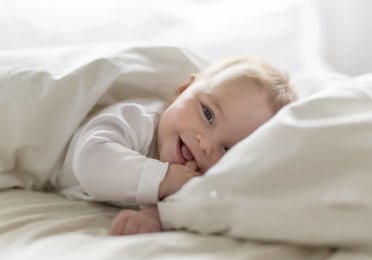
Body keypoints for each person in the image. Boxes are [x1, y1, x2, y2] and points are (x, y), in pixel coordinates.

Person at [54, 57, 297, 234]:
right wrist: (165, 179)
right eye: (208, 114)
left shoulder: (198, 177)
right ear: (182, 91)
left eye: (228, 149)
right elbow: (91, 163)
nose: (205, 143)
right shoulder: (137, 119)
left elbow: (184, 204)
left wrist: (153, 218)